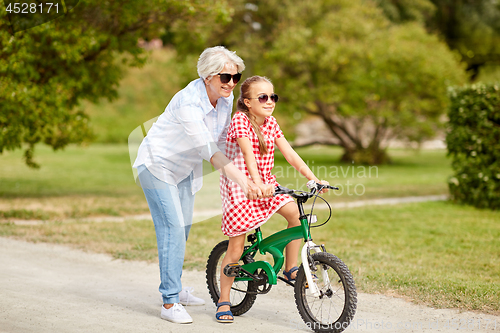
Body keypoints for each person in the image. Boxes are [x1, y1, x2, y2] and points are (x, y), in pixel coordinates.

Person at [133, 46, 263, 324]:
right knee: (173, 230)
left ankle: (176, 290)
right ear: (207, 77)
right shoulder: (188, 103)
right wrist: (245, 182)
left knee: (183, 231)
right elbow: (211, 153)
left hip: (184, 169)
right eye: (225, 77)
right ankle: (169, 303)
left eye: (236, 77)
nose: (231, 83)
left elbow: (224, 141)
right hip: (158, 166)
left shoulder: (224, 100)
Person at [216, 76, 328, 323]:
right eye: (262, 97)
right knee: (235, 248)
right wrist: (255, 184)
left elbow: (289, 153)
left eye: (273, 97)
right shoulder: (240, 121)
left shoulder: (271, 123)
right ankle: (224, 299)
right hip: (241, 187)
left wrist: (313, 179)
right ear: (247, 102)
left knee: (297, 215)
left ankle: (290, 269)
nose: (269, 101)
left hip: (267, 185)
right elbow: (247, 155)